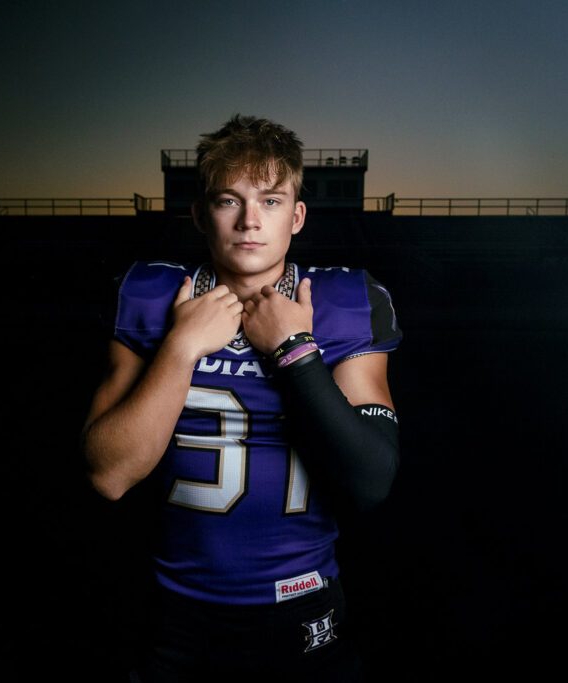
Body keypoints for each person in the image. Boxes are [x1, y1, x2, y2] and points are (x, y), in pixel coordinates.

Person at [82, 115, 401, 682]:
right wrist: (181, 346)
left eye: (272, 201)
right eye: (230, 200)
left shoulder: (346, 300)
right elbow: (108, 474)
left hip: (302, 605)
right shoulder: (151, 294)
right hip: (173, 608)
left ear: (296, 215)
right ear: (202, 214)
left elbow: (369, 480)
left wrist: (295, 350)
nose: (251, 221)